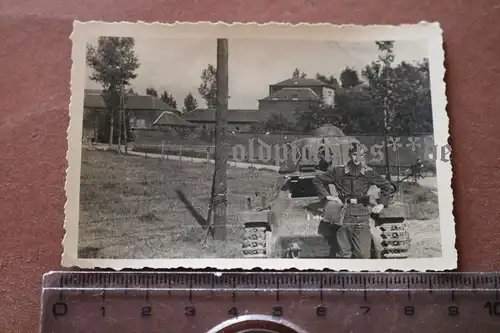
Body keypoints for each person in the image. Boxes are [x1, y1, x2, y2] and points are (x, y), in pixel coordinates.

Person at [312, 142, 393, 259]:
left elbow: (386, 186)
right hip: (343, 215)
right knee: (344, 254)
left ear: (363, 155)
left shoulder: (368, 173)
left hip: (361, 215)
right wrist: (327, 196)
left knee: (363, 254)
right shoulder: (338, 171)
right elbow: (317, 180)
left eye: (360, 155)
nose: (357, 158)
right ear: (350, 154)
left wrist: (382, 204)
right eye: (355, 154)